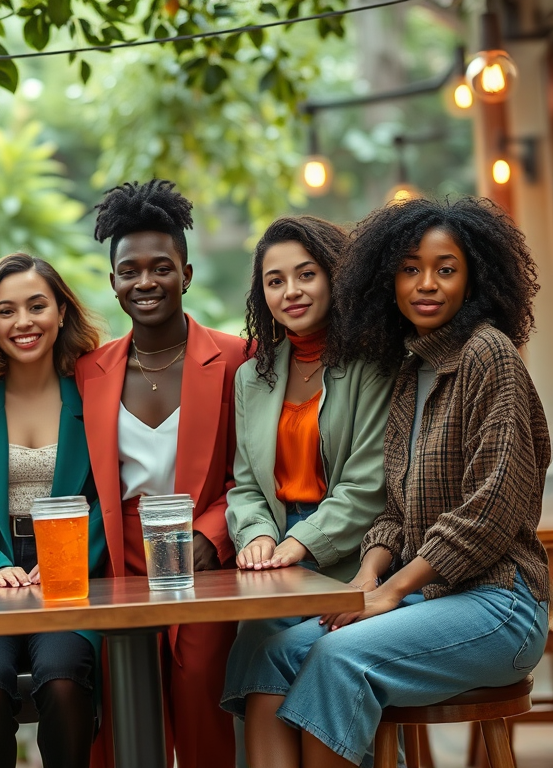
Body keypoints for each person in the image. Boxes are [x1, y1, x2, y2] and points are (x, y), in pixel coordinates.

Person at [240, 197, 550, 768]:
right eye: (410, 269)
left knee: (338, 659)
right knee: (272, 655)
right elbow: (395, 507)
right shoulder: (410, 368)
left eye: (445, 269)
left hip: (499, 605)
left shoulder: (489, 356)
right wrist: (366, 577)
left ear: (474, 277)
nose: (425, 284)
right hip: (428, 600)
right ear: (388, 277)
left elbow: (491, 511)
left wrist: (393, 590)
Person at [75, 179, 248, 768]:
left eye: (161, 267)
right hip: (116, 559)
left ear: (188, 273)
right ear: (114, 282)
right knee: (124, 710)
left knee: (202, 688)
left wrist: (211, 535)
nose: (145, 282)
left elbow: (252, 473)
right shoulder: (89, 371)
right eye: (129, 270)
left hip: (201, 554)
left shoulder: (234, 358)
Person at [218, 216, 393, 764]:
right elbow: (245, 484)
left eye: (306, 274)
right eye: (275, 280)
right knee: (256, 640)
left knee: (288, 652)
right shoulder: (255, 375)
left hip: (351, 551)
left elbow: (369, 485)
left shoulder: (373, 362)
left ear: (336, 277)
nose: (290, 292)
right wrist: (257, 537)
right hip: (276, 557)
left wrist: (298, 546)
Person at [0, 253, 108, 768]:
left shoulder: (93, 390)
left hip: (72, 570)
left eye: (37, 306)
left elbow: (105, 499)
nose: (23, 322)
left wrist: (61, 560)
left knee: (65, 673)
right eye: (6, 311)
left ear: (61, 312)